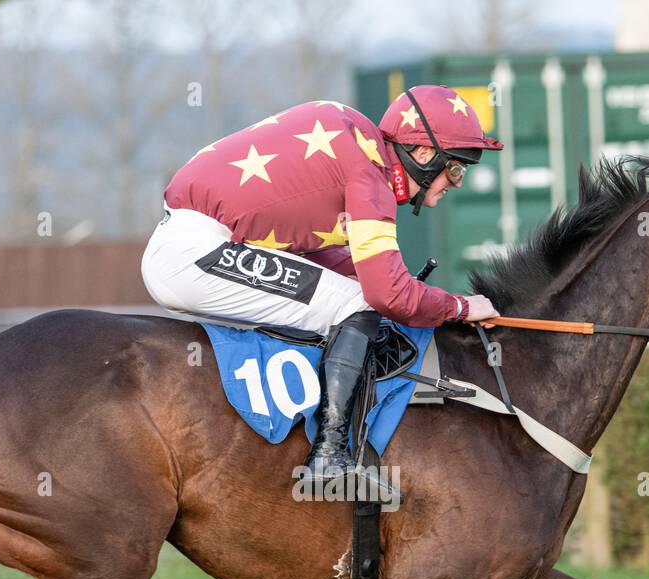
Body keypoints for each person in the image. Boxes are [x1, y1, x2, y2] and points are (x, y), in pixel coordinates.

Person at [142, 85, 503, 500]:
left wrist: (414, 292)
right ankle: (329, 456)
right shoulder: (370, 175)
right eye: (456, 169)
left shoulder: (355, 138)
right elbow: (388, 296)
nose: (456, 183)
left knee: (353, 297)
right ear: (424, 155)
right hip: (196, 253)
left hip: (191, 241)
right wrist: (458, 306)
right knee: (355, 307)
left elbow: (342, 264)